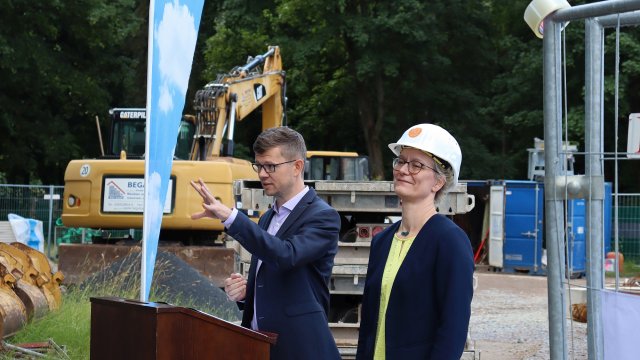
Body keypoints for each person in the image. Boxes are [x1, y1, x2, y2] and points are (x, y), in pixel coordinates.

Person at [190, 127, 341, 360]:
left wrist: (231, 217)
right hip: (260, 347)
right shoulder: (268, 218)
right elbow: (277, 278)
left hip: (300, 349)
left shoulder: (323, 217)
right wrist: (247, 293)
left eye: (270, 166)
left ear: (297, 166)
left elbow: (286, 255)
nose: (262, 174)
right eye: (258, 166)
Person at [356, 123, 474, 360]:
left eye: (416, 165)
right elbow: (369, 324)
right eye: (400, 161)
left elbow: (452, 330)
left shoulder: (449, 241)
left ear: (439, 182)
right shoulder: (382, 242)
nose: (402, 169)